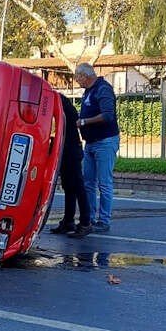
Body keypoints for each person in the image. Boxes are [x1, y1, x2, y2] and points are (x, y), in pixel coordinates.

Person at [71, 63, 120, 238]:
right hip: (91, 142)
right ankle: (89, 218)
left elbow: (108, 115)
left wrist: (83, 122)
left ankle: (104, 221)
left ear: (86, 75)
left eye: (78, 77)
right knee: (88, 183)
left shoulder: (103, 89)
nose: (77, 81)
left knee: (104, 183)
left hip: (105, 141)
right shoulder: (88, 91)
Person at [50, 93, 91, 234]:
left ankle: (85, 222)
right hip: (70, 148)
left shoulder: (60, 107)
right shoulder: (65, 105)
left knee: (77, 186)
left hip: (70, 149)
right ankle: (69, 220)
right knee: (70, 187)